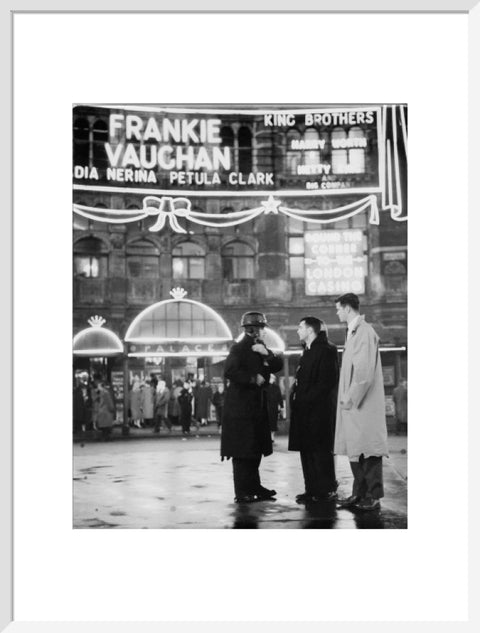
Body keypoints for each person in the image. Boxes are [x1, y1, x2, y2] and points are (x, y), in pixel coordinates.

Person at [334, 293, 389, 512]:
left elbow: (363, 373)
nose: (337, 312)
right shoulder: (354, 332)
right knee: (357, 449)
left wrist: (350, 398)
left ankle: (372, 496)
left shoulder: (363, 332)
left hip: (361, 405)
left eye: (338, 308)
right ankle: (359, 493)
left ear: (347, 309)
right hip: (355, 407)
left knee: (369, 450)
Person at [221, 311, 283, 503]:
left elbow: (277, 365)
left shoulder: (260, 347)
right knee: (242, 452)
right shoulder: (238, 348)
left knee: (254, 450)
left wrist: (267, 354)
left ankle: (255, 486)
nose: (265, 332)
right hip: (241, 409)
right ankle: (243, 491)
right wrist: (252, 378)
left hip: (255, 408)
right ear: (254, 330)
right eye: (263, 328)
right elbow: (229, 371)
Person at [288, 317, 339, 503]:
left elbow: (327, 382)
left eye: (300, 327)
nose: (297, 330)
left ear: (310, 330)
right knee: (307, 451)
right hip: (304, 411)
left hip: (319, 412)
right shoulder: (307, 350)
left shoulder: (327, 350)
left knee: (320, 452)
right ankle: (311, 489)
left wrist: (305, 399)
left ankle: (326, 489)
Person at [266, 374, 283, 442]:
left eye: (273, 378)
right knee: (268, 422)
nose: (272, 379)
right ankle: (269, 437)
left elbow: (279, 397)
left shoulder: (276, 387)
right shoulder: (266, 386)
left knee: (273, 422)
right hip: (267, 407)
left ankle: (272, 437)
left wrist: (281, 406)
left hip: (274, 407)